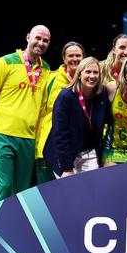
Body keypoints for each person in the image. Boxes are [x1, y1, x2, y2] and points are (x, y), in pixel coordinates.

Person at [0, 25, 51, 203]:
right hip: (2, 135)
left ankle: (15, 229)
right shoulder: (5, 62)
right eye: (38, 38)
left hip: (29, 139)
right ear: (28, 37)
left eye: (45, 40)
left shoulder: (46, 69)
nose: (41, 43)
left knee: (21, 192)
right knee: (4, 188)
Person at [43, 57, 108, 178]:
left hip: (90, 152)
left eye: (95, 72)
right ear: (79, 74)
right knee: (70, 194)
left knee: (91, 192)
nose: (92, 76)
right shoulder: (65, 96)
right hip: (66, 153)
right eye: (88, 72)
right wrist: (67, 168)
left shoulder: (102, 94)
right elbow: (60, 134)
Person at [34, 41, 85, 184]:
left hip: (77, 149)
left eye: (78, 55)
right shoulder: (50, 79)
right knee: (45, 196)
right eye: (71, 56)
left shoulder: (89, 79)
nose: (75, 59)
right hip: (47, 146)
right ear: (64, 59)